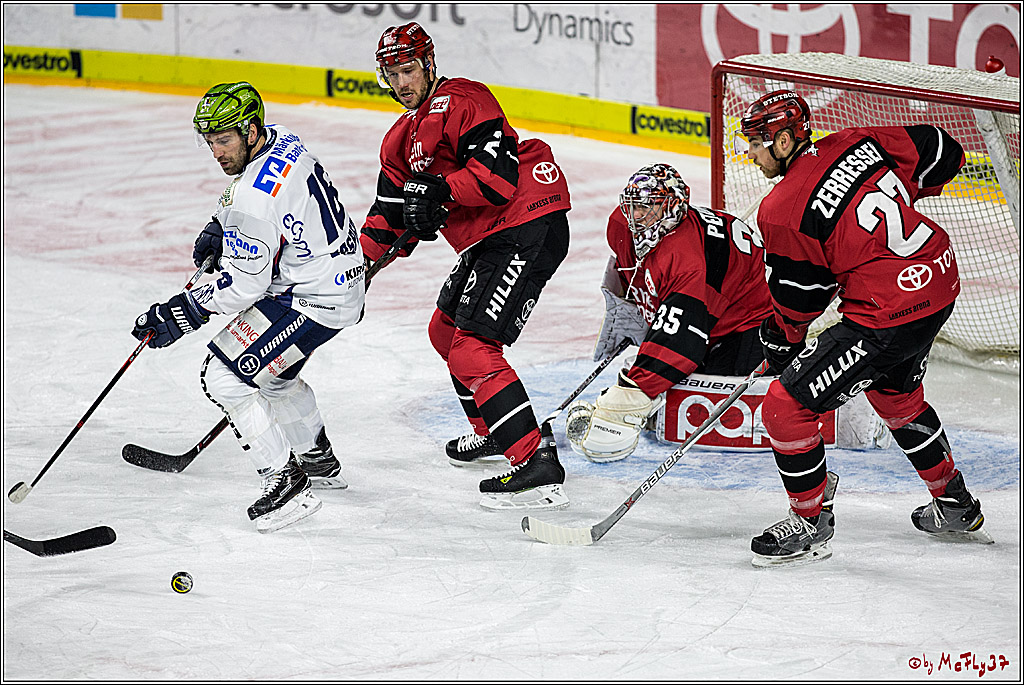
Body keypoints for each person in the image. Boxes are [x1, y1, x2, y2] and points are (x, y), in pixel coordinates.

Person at [735, 89, 992, 566]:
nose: (750, 154)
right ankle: (955, 504)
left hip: (887, 313)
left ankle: (810, 523)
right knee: (896, 396)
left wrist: (780, 343)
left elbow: (799, 303)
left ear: (787, 139)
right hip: (939, 280)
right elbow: (944, 151)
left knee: (785, 407)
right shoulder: (856, 140)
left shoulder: (783, 209)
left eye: (757, 142)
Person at [132, 82, 365, 533]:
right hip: (335, 280)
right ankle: (316, 460)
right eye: (211, 142)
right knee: (275, 376)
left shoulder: (253, 202)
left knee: (221, 375)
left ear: (251, 130)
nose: (217, 152)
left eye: (225, 140)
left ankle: (286, 484)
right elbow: (256, 196)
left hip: (313, 296)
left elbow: (242, 286)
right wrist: (221, 224)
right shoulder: (282, 137)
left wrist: (180, 312)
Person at [362, 22, 573, 510]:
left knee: (474, 348)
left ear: (429, 65)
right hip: (489, 235)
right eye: (391, 73)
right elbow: (388, 218)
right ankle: (496, 431)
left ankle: (534, 461)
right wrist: (355, 268)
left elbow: (498, 180)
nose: (400, 83)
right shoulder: (397, 141)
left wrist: (440, 193)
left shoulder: (465, 100)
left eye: (408, 69)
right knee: (445, 331)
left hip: (527, 219)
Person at [564, 163, 773, 461]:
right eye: (633, 206)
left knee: (704, 394)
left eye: (647, 208)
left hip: (752, 319)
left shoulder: (684, 256)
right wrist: (634, 309)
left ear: (673, 206)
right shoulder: (621, 225)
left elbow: (680, 345)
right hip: (711, 297)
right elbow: (631, 271)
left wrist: (631, 395)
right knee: (674, 377)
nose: (635, 217)